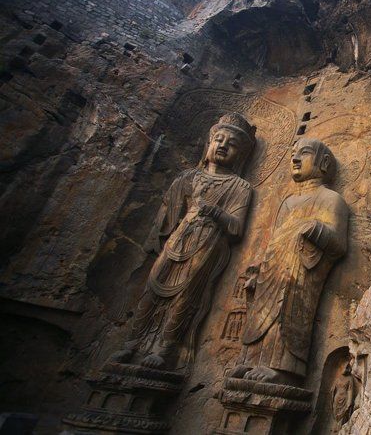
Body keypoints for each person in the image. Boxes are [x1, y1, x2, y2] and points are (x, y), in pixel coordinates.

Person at [110, 113, 255, 370]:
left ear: (240, 154)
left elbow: (236, 228)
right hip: (180, 237)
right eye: (218, 140)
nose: (222, 146)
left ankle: (166, 347)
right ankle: (132, 343)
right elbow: (167, 216)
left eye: (230, 144)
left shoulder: (239, 186)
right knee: (153, 287)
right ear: (208, 145)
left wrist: (216, 212)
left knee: (187, 294)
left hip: (208, 243)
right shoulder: (188, 177)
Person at [235, 138, 349, 385]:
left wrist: (314, 227)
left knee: (288, 310)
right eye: (292, 154)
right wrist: (257, 271)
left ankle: (284, 368)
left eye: (304, 153)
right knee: (260, 312)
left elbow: (339, 246)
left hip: (300, 272)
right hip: (274, 268)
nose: (295, 159)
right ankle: (252, 359)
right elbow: (274, 241)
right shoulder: (287, 202)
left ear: (324, 163)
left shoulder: (331, 199)